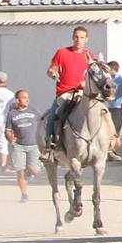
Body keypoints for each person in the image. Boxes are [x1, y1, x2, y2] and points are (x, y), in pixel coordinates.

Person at [42, 26, 96, 155]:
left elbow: (93, 74)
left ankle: (109, 143)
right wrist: (53, 73)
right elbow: (50, 70)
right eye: (76, 37)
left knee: (100, 111)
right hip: (65, 92)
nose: (79, 40)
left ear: (86, 40)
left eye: (82, 37)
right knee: (54, 114)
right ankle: (50, 145)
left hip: (83, 92)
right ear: (72, 37)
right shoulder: (62, 52)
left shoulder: (89, 56)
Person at [5, 89, 42, 203]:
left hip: (34, 145)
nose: (27, 99)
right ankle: (24, 194)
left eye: (27, 97)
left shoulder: (34, 111)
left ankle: (30, 173)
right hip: (19, 146)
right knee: (20, 171)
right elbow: (7, 131)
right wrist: (10, 138)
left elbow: (42, 121)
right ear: (18, 100)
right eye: (24, 97)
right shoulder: (12, 114)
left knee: (34, 171)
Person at [108, 60, 122, 143]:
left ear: (113, 69)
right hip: (109, 108)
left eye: (108, 69)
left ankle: (113, 150)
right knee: (107, 130)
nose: (107, 72)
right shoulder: (108, 79)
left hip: (118, 109)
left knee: (115, 132)